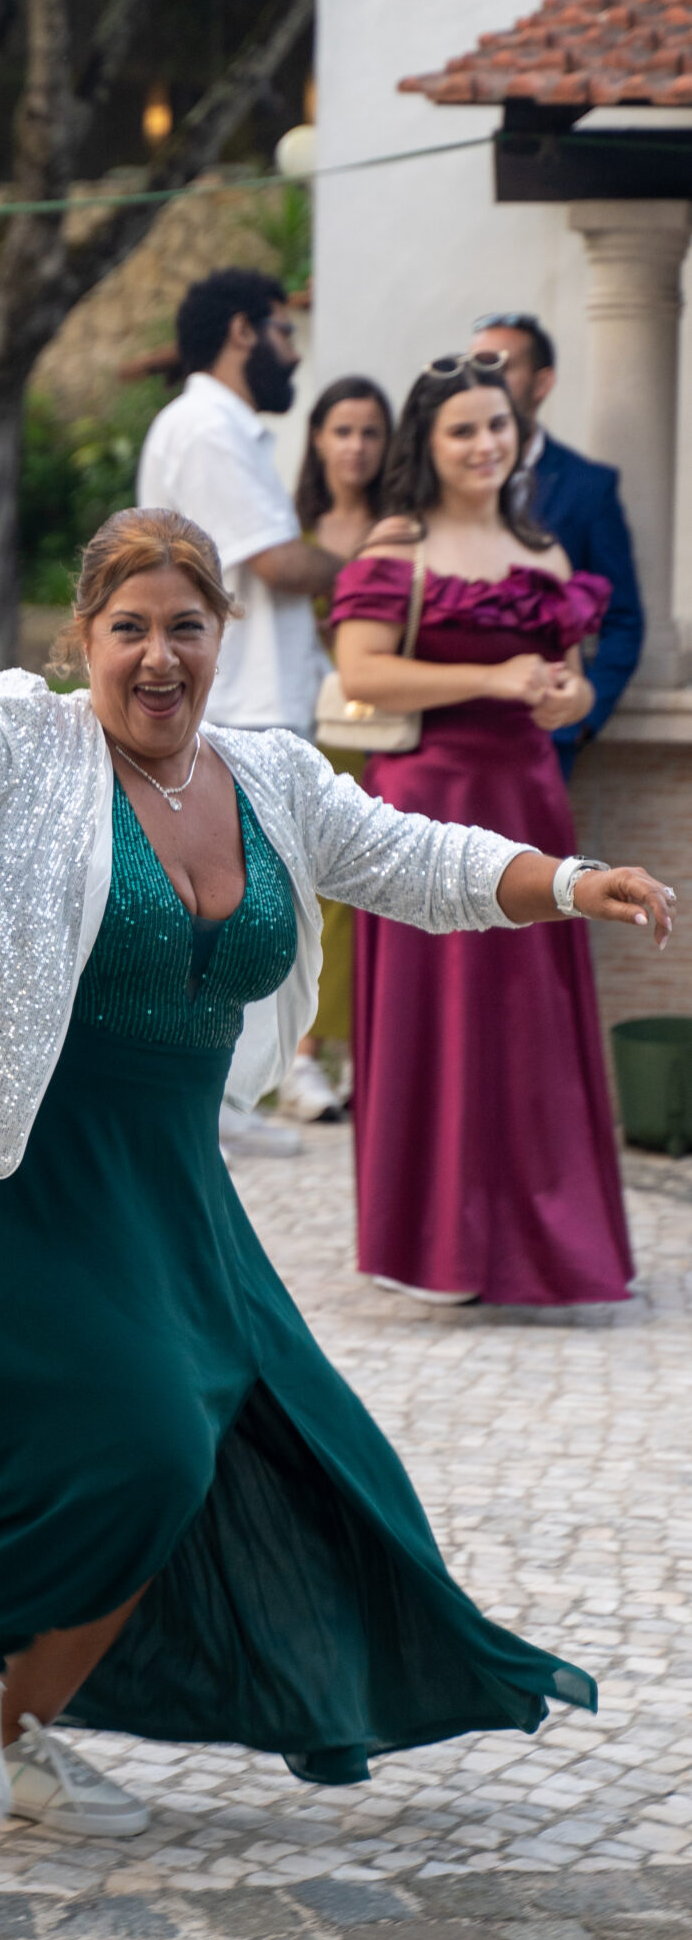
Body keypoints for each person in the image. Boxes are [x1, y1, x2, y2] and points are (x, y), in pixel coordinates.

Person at [0, 507, 671, 1840]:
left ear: (222, 636)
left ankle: (20, 1723)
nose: (157, 656)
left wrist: (567, 881)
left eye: (184, 627)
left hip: (167, 1173)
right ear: (83, 638)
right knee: (147, 1440)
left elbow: (412, 858)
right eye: (129, 629)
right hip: (19, 1154)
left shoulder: (271, 774)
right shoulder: (22, 735)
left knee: (255, 1444)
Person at [333, 356, 632, 1306]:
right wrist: (490, 678)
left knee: (525, 1015)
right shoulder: (397, 545)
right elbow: (361, 671)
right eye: (461, 429)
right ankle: (430, 1246)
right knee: (435, 1010)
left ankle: (541, 1244)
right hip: (427, 800)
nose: (483, 444)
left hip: (527, 796)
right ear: (427, 442)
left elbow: (569, 676)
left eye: (496, 425)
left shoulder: (543, 551)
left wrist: (564, 697)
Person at [137, 267, 336, 1158]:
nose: (292, 353)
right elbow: (279, 563)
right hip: (239, 704)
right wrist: (378, 561)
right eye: (283, 332)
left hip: (248, 698)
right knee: (220, 908)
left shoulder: (216, 427)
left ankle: (222, 1101)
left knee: (239, 909)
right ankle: (209, 1108)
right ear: (243, 332)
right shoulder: (208, 428)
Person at [276, 377, 393, 1124]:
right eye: (342, 430)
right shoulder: (290, 529)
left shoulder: (401, 528)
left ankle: (363, 1053)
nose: (355, 446)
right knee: (315, 885)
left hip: (384, 723)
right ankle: (301, 1057)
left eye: (370, 432)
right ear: (318, 438)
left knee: (376, 881)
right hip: (307, 719)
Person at [471, 311, 643, 778]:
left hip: (539, 745)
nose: (482, 378)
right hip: (446, 736)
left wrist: (582, 718)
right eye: (475, 365)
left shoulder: (588, 487)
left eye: (499, 365)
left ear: (542, 383)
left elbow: (623, 618)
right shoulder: (435, 486)